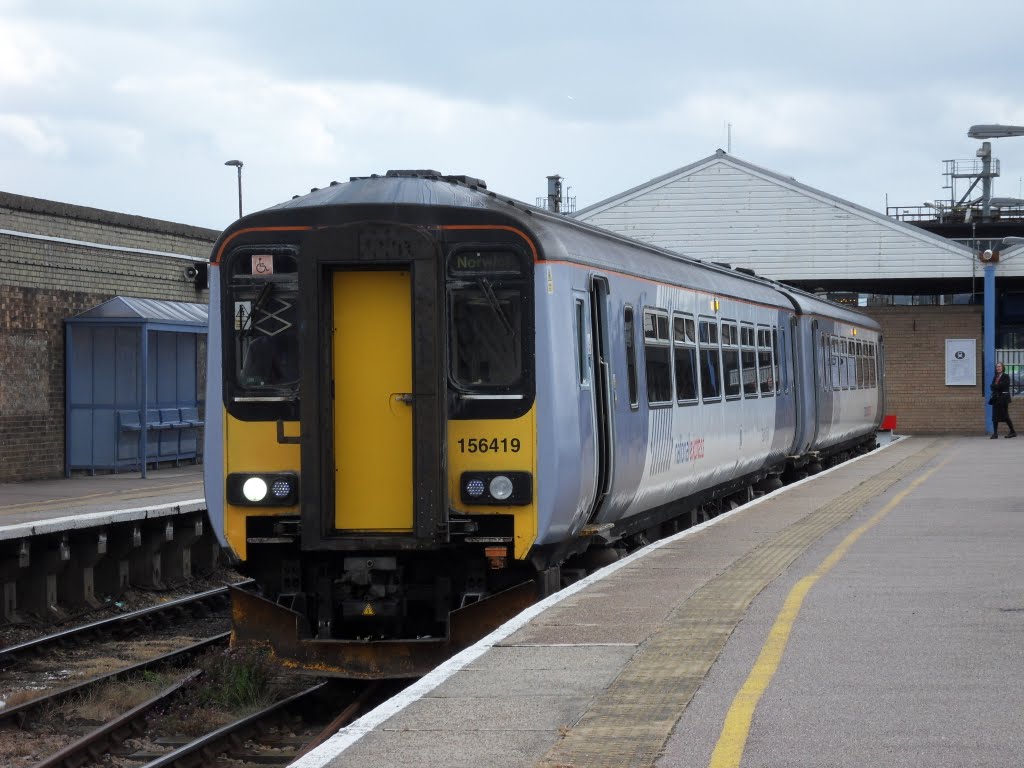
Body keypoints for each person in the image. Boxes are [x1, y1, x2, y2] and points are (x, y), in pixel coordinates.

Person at [990, 362, 1016, 439]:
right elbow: (992, 386)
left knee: (1005, 415)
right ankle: (995, 434)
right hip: (996, 398)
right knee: (995, 416)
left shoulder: (1006, 376)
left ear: (1003, 367)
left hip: (1004, 398)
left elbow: (1003, 385)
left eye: (999, 366)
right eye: (997, 367)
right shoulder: (995, 377)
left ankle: (1013, 432)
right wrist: (996, 386)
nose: (998, 368)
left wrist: (996, 386)